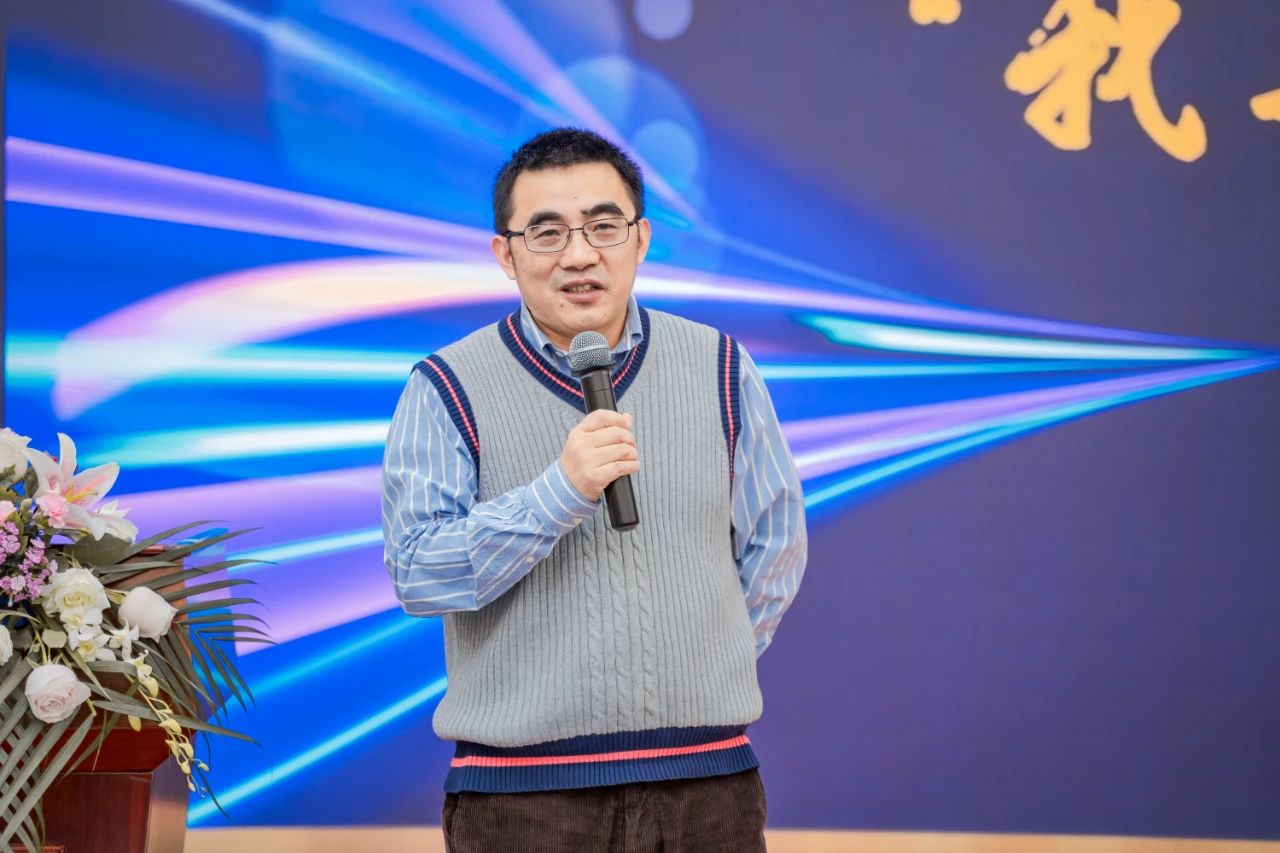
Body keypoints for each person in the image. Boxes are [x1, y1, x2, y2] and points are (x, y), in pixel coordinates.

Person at [381, 127, 807, 852]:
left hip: (707, 784)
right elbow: (421, 572)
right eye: (546, 233)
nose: (579, 255)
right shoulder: (445, 385)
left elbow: (775, 545)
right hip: (522, 797)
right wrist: (560, 492)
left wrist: (706, 658)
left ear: (641, 239)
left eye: (603, 226)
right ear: (505, 254)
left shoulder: (720, 365)